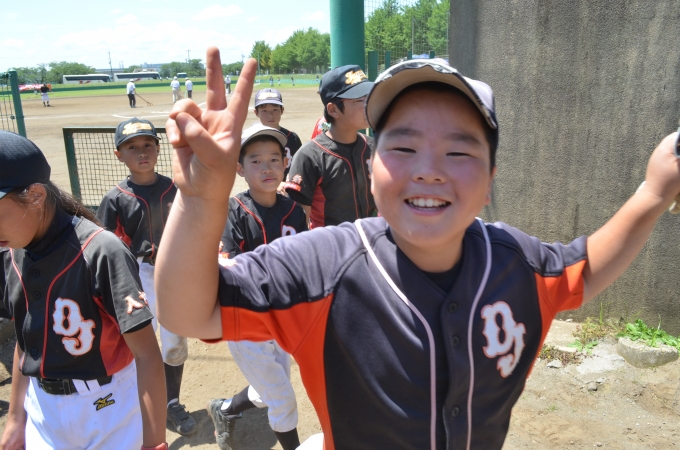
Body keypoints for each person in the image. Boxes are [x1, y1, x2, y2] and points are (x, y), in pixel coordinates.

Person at [156, 50, 680, 449]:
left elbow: (583, 270)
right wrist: (200, 201)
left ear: (491, 178)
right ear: (371, 167)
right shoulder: (323, 266)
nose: (429, 169)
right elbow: (188, 311)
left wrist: (655, 192)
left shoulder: (513, 259)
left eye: (459, 150)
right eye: (404, 147)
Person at [0, 131, 168, 450]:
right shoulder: (10, 251)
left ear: (35, 196)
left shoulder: (101, 251)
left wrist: (154, 442)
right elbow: (27, 340)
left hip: (108, 407)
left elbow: (146, 354)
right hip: (42, 409)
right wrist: (16, 418)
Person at [207, 123, 307, 450]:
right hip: (245, 319)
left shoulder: (293, 211)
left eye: (274, 159)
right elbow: (230, 267)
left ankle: (225, 409)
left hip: (281, 316)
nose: (267, 168)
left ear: (286, 163)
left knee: (270, 391)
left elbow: (304, 263)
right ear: (240, 168)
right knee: (282, 398)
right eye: (256, 161)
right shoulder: (232, 211)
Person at [96, 118, 198, 437]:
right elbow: (104, 247)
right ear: (119, 155)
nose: (142, 152)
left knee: (175, 342)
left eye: (148, 145)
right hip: (135, 274)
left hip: (172, 272)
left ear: (158, 148)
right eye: (132, 147)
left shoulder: (173, 188)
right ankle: (133, 404)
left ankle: (171, 403)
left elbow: (190, 227)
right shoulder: (115, 198)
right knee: (136, 343)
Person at [284, 64, 376, 227]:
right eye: (359, 100)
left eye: (368, 97)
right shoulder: (309, 156)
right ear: (333, 110)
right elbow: (298, 224)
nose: (368, 105)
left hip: (370, 239)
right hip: (329, 242)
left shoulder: (373, 147)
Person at [252, 88, 302, 180]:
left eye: (275, 109)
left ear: (282, 110)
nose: (270, 115)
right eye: (264, 110)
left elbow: (300, 166)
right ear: (256, 112)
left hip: (287, 187)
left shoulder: (292, 138)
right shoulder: (251, 139)